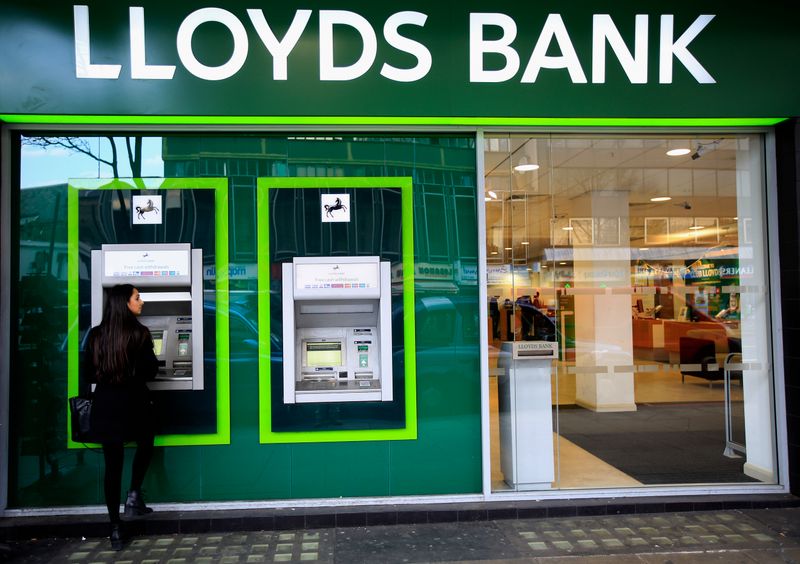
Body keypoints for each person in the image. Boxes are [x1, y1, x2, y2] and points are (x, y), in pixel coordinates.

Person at [83, 284, 158, 550]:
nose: (142, 302)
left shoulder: (95, 335)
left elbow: (87, 373)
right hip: (135, 403)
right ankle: (134, 494)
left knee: (112, 466)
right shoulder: (140, 333)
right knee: (146, 443)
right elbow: (151, 371)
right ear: (125, 303)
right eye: (137, 298)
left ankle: (115, 527)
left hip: (106, 405)